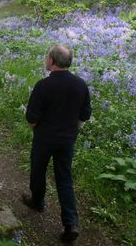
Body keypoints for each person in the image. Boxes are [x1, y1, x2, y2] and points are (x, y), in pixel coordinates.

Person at [22, 44, 91, 242]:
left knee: (38, 169)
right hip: (67, 139)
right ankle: (71, 223)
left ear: (52, 61)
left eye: (47, 58)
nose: (46, 60)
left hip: (44, 138)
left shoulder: (43, 85)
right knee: (64, 178)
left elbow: (31, 117)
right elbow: (85, 114)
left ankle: (37, 202)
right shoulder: (81, 85)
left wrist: (38, 128)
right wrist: (73, 129)